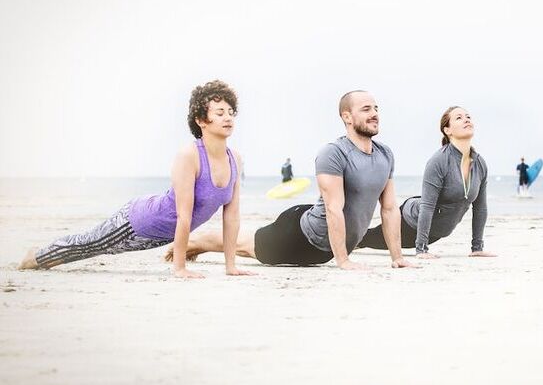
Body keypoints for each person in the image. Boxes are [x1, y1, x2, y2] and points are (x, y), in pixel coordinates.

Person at [20, 81, 253, 279]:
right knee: (90, 245)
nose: (228, 118)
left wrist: (230, 266)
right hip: (139, 222)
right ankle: (36, 256)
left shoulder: (235, 159)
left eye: (231, 112)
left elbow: (231, 216)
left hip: (160, 234)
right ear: (202, 120)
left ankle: (43, 256)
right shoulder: (189, 156)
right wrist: (180, 268)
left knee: (93, 248)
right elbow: (184, 214)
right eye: (219, 113)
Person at [166, 90, 416, 270]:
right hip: (300, 235)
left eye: (376, 108)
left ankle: (194, 243)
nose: (374, 114)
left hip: (325, 248)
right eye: (366, 109)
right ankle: (193, 241)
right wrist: (343, 261)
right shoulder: (334, 153)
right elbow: (333, 208)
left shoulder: (385, 154)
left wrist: (397, 257)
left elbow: (390, 209)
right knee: (245, 245)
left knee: (246, 243)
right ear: (347, 117)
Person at [358, 106, 496, 258]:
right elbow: (428, 206)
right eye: (459, 118)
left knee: (364, 239)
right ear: (447, 130)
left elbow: (480, 208)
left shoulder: (479, 164)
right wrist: (421, 249)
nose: (466, 119)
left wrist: (477, 248)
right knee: (365, 239)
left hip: (436, 233)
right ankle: (337, 239)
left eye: (468, 116)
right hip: (410, 223)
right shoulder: (439, 161)